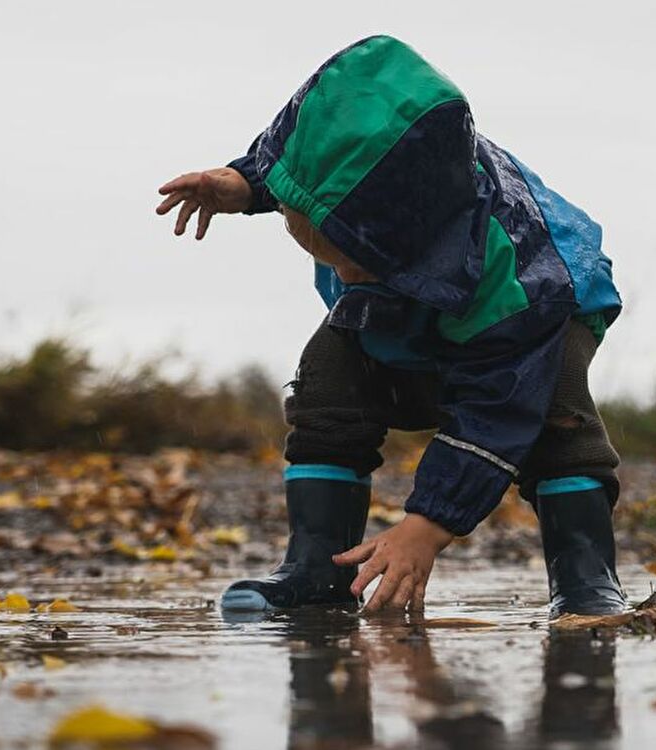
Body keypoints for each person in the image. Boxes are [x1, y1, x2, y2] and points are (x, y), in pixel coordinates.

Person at [155, 35, 626, 618]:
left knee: (556, 414)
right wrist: (247, 184)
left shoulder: (516, 290)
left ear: (405, 231)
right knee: (328, 377)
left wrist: (425, 528)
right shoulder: (342, 189)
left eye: (356, 256)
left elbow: (495, 409)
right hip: (412, 294)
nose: (344, 275)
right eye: (319, 245)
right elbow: (306, 162)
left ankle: (586, 580)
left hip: (546, 308)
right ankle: (315, 568)